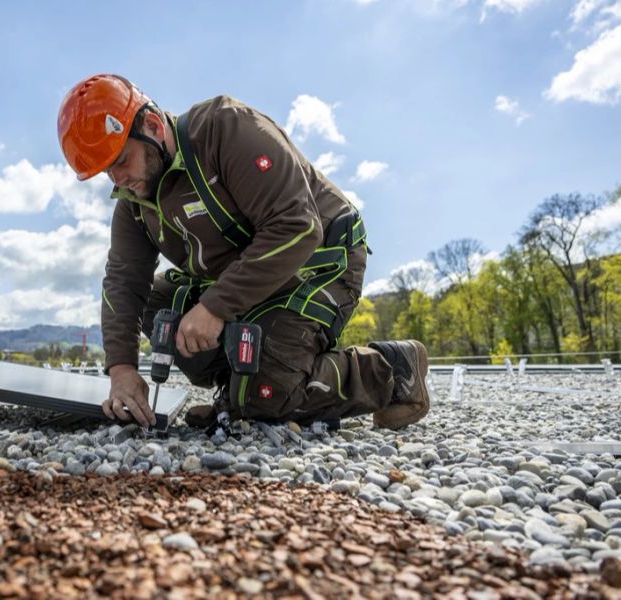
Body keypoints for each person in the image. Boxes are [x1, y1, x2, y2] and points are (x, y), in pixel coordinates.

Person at [57, 74, 430, 431]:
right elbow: (123, 281)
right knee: (160, 307)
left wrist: (215, 307)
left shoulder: (226, 129)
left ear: (153, 126)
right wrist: (121, 369)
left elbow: (296, 226)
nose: (118, 180)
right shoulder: (135, 199)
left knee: (268, 398)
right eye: (107, 172)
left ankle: (392, 370)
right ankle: (238, 392)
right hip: (243, 276)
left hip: (319, 258)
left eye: (122, 161)